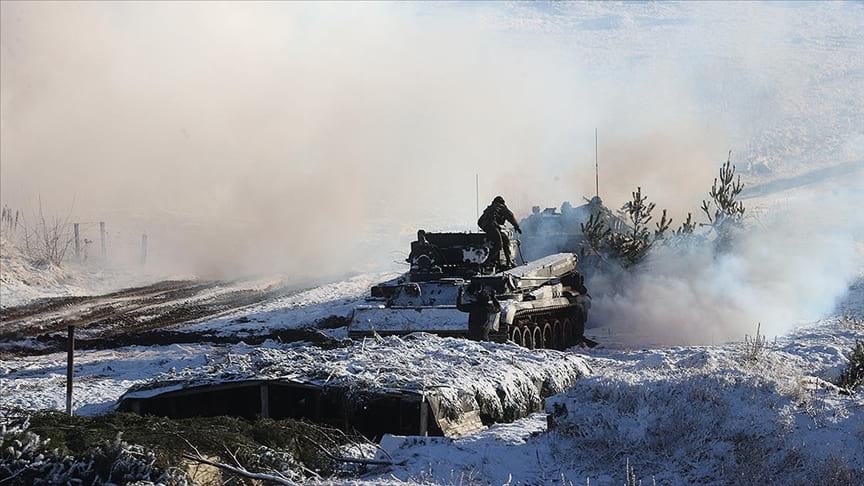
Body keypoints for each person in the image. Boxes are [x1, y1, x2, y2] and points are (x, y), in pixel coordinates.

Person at [477, 195, 521, 267]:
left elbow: (479, 222)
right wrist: (516, 226)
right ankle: (487, 262)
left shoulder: (490, 208)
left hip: (489, 227)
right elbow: (510, 215)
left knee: (505, 239)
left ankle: (508, 261)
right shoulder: (500, 206)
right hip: (492, 226)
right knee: (498, 245)